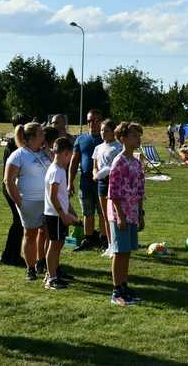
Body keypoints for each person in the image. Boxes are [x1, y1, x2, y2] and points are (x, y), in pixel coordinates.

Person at [4, 122, 52, 281]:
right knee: (30, 234)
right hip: (28, 201)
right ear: (31, 138)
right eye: (41, 134)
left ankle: (42, 262)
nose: (44, 136)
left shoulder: (44, 153)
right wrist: (19, 201)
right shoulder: (19, 155)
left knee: (46, 232)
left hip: (46, 200)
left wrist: (48, 152)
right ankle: (30, 268)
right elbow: (8, 180)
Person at [108, 122, 146, 306]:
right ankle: (116, 291)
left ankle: (124, 285)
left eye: (138, 135)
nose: (137, 139)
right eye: (133, 136)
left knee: (127, 252)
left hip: (132, 213)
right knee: (119, 251)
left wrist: (141, 214)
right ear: (123, 139)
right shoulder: (119, 162)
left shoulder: (137, 163)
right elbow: (113, 193)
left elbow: (140, 190)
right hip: (119, 215)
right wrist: (120, 216)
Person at [43, 137, 78, 290]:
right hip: (54, 215)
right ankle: (51, 278)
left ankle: (54, 273)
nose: (70, 159)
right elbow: (53, 195)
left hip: (58, 214)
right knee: (54, 245)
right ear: (65, 153)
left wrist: (70, 210)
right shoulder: (57, 171)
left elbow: (61, 195)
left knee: (59, 243)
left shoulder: (58, 169)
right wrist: (62, 214)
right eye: (70, 156)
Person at [68, 109, 105, 251]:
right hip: (85, 183)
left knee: (102, 213)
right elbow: (74, 162)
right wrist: (70, 181)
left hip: (103, 183)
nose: (92, 123)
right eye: (89, 120)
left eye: (95, 120)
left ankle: (104, 240)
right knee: (87, 213)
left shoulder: (106, 138)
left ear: (100, 121)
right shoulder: (81, 139)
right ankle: (88, 240)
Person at [0, 113, 31, 267]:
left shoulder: (15, 143)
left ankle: (10, 254)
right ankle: (9, 254)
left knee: (19, 222)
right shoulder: (15, 144)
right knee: (19, 221)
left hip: (11, 186)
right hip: (12, 186)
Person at [92, 119, 122, 258]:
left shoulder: (118, 147)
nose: (103, 133)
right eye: (102, 130)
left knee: (114, 215)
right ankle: (110, 245)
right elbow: (95, 165)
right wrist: (95, 174)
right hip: (101, 183)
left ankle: (117, 244)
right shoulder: (98, 147)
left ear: (113, 132)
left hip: (114, 182)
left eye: (106, 130)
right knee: (105, 215)